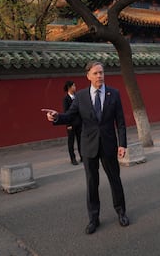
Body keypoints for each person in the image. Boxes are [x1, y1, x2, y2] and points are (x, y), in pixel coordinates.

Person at [44, 61, 129, 235]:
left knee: (115, 180)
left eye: (102, 72)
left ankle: (121, 212)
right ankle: (93, 219)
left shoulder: (114, 93)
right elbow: (70, 116)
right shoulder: (81, 96)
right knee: (92, 183)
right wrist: (56, 117)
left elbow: (120, 122)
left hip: (108, 144)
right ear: (88, 76)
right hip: (88, 145)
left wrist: (122, 144)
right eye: (96, 73)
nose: (100, 76)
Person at [63, 80, 82, 165]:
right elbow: (66, 112)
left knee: (80, 140)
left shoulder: (77, 97)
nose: (75, 87)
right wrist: (68, 124)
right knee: (71, 142)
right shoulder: (66, 99)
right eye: (73, 86)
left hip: (79, 123)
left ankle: (82, 156)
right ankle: (73, 158)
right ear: (69, 88)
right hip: (71, 124)